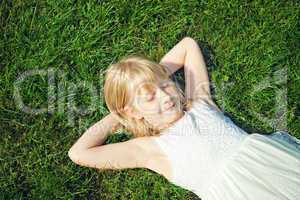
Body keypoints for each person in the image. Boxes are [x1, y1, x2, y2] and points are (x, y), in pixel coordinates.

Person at [68, 37, 300, 200]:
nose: (165, 96)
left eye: (166, 85)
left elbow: (188, 46)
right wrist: (118, 115)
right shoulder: (150, 150)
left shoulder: (200, 104)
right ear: (132, 111)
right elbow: (79, 153)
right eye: (149, 96)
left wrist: (152, 77)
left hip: (276, 166)